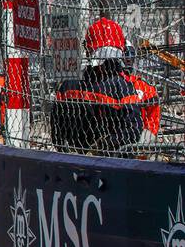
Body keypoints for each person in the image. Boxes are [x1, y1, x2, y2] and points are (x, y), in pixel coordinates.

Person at [52, 18, 159, 152]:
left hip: (72, 157)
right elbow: (133, 132)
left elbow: (57, 133)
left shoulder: (68, 85)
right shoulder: (123, 87)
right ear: (121, 49)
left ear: (88, 48)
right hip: (112, 160)